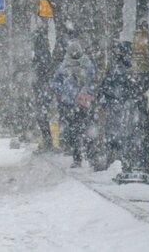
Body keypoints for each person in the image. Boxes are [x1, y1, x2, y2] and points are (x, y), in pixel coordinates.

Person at [52, 41, 96, 168]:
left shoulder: (64, 66)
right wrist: (87, 93)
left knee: (77, 131)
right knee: (83, 131)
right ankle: (87, 156)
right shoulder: (87, 64)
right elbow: (93, 81)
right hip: (81, 103)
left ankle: (80, 158)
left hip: (73, 103)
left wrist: (66, 93)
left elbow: (56, 84)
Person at [97, 41, 133, 171]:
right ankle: (120, 158)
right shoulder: (125, 71)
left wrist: (104, 99)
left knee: (114, 133)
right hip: (121, 105)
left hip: (116, 105)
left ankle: (115, 157)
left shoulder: (116, 70)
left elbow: (105, 87)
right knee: (121, 132)